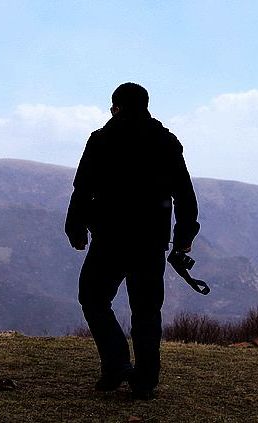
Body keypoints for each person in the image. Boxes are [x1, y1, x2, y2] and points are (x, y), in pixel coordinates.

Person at [64, 82, 200, 400]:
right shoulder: (165, 142)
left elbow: (82, 188)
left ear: (116, 107)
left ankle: (116, 365)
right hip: (150, 241)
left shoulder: (101, 139)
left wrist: (76, 226)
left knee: (94, 299)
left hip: (109, 237)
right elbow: (184, 194)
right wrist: (183, 238)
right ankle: (145, 381)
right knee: (147, 310)